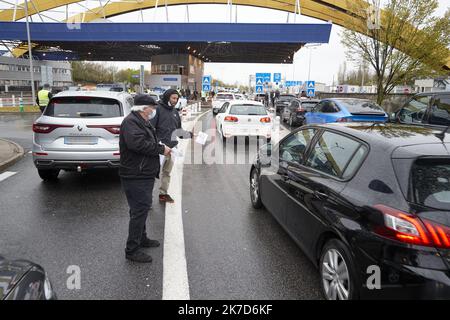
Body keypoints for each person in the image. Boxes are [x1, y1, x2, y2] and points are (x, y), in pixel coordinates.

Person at [119, 94, 171, 263]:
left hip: (142, 173)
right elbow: (137, 144)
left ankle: (142, 238)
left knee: (140, 208)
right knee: (139, 210)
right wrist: (160, 149)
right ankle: (132, 250)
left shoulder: (141, 120)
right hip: (135, 174)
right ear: (143, 108)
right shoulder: (131, 122)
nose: (154, 110)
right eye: (152, 108)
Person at [151, 89, 193, 203]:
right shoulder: (158, 109)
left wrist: (192, 135)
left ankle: (163, 194)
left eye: (176, 98)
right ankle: (147, 198)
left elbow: (179, 131)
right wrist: (157, 143)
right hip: (159, 148)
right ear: (167, 97)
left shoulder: (175, 112)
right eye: (173, 98)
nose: (175, 100)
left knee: (167, 173)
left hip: (172, 149)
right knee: (152, 173)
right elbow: (150, 128)